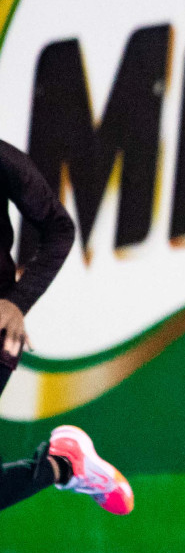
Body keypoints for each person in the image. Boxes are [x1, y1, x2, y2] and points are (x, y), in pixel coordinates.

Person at [0, 139, 133, 517]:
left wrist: (17, 302)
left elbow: (60, 229)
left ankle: (66, 466)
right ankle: (66, 465)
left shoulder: (5, 161)